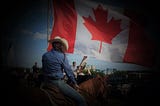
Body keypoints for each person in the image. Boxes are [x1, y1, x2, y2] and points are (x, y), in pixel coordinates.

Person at [41, 36, 87, 106]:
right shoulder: (63, 56)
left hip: (45, 82)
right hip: (57, 83)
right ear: (58, 45)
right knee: (81, 100)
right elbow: (69, 72)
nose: (62, 46)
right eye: (61, 44)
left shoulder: (45, 55)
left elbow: (44, 69)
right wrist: (74, 83)